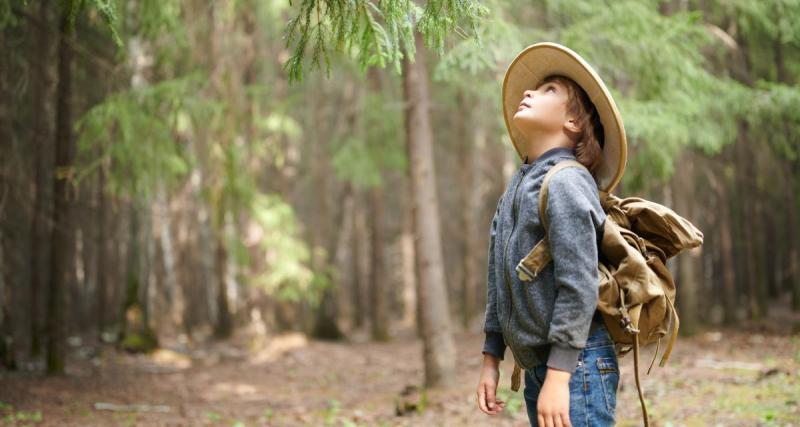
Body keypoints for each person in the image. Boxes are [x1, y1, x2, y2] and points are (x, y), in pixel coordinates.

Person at [476, 42, 628, 427]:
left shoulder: (567, 181)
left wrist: (560, 376)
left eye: (549, 91)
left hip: (577, 365)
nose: (528, 92)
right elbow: (498, 277)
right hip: (542, 366)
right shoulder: (516, 187)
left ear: (574, 123)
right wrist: (491, 357)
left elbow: (579, 283)